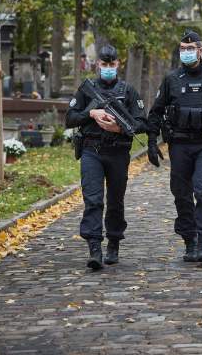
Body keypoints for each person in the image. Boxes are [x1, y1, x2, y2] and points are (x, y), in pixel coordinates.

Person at [147, 29, 202, 263]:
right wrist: (151, 142)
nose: (186, 52)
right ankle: (190, 241)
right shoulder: (171, 80)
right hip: (179, 144)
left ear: (200, 50)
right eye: (183, 49)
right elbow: (156, 111)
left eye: (191, 49)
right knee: (181, 194)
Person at [65, 45, 147, 269]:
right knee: (93, 199)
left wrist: (119, 128)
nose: (108, 68)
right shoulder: (87, 90)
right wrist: (91, 113)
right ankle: (94, 247)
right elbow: (70, 118)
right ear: (97, 64)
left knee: (115, 201)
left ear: (118, 64)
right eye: (104, 64)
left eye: (112, 64)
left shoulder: (127, 91)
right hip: (92, 150)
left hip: (118, 151)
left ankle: (113, 242)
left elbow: (142, 123)